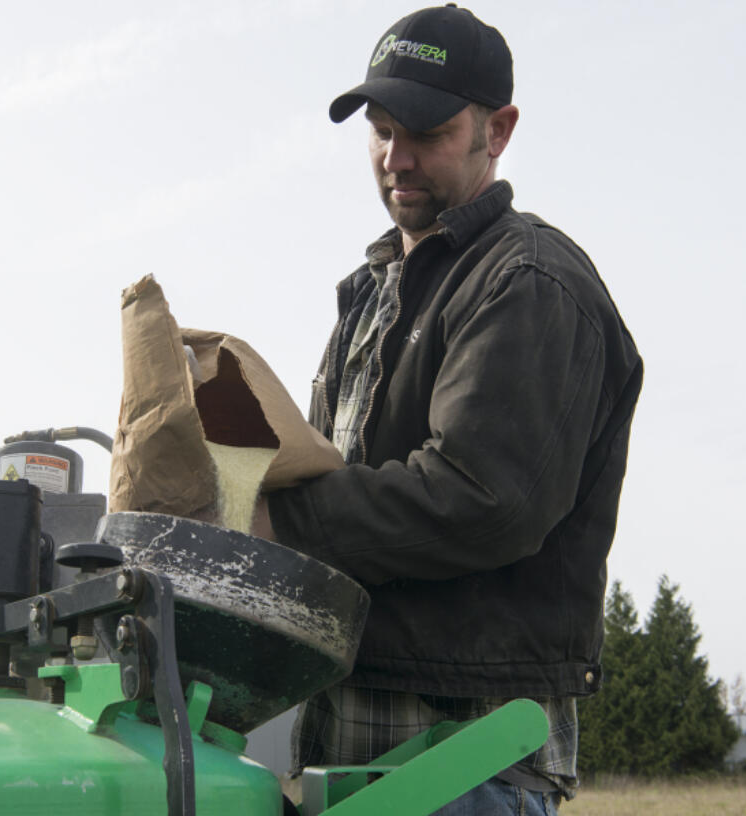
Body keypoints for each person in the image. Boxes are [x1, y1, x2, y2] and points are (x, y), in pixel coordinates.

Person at [255, 5, 642, 813]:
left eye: (426, 132)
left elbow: (482, 497)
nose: (396, 158)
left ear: (496, 131)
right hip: (347, 749)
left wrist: (269, 519)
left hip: (464, 762)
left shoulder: (529, 283)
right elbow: (332, 474)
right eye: (380, 129)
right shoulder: (371, 293)